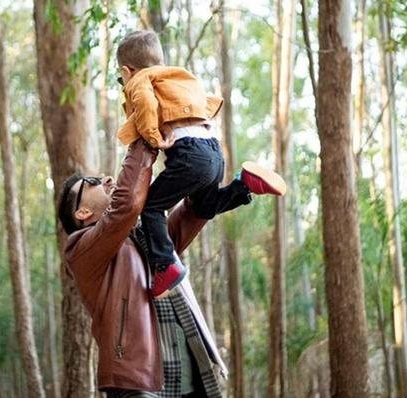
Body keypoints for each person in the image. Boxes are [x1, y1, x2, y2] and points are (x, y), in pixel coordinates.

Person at [57, 138, 284, 397]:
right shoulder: (80, 251)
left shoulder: (141, 236)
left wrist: (213, 172)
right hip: (136, 381)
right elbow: (128, 204)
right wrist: (144, 139)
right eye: (94, 183)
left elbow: (189, 216)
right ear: (82, 213)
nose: (107, 179)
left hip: (186, 370)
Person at [115, 30, 287, 298]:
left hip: (189, 155)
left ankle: (165, 265)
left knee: (151, 206)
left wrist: (153, 136)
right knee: (204, 207)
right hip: (213, 150)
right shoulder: (180, 78)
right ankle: (243, 185)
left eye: (120, 78)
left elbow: (145, 103)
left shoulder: (141, 79)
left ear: (128, 71)